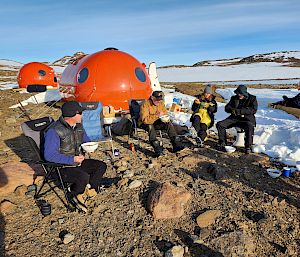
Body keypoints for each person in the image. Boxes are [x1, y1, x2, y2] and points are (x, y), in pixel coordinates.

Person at [44, 101, 107, 213]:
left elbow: (86, 141)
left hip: (77, 161)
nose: (82, 115)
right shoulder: (54, 131)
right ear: (72, 114)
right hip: (61, 167)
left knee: (101, 166)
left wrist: (88, 147)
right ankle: (74, 194)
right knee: (83, 176)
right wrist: (71, 159)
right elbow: (49, 155)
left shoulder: (78, 126)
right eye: (80, 113)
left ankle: (89, 189)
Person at [140, 91, 184, 156]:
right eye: (156, 100)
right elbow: (145, 120)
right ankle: (157, 148)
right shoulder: (145, 104)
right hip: (145, 123)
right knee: (150, 126)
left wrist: (164, 117)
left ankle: (176, 144)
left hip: (156, 122)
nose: (158, 101)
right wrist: (157, 115)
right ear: (152, 98)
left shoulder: (161, 103)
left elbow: (165, 113)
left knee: (168, 123)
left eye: (159, 100)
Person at [216, 85, 258, 154]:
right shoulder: (234, 98)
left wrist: (240, 111)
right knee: (220, 124)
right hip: (234, 119)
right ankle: (222, 143)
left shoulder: (252, 98)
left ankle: (248, 146)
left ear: (244, 93)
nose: (239, 95)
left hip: (246, 119)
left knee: (250, 127)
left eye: (240, 93)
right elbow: (227, 108)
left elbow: (253, 110)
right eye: (238, 93)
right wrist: (232, 110)